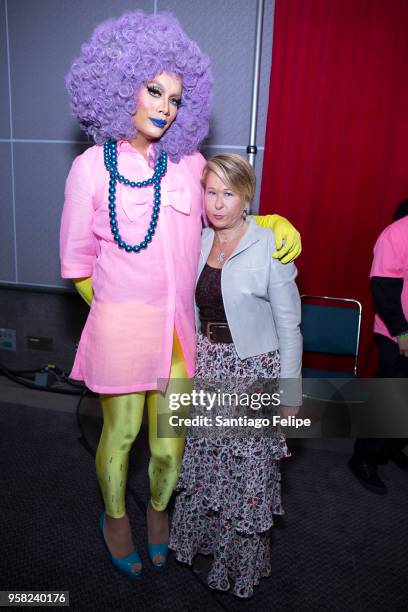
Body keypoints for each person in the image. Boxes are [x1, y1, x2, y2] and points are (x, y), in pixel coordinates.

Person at [60, 11, 302, 578]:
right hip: (119, 325)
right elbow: (76, 265)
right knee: (121, 435)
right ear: (122, 88)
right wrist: (115, 312)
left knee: (169, 446)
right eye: (154, 91)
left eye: (174, 97)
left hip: (177, 331)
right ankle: (116, 518)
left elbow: (226, 208)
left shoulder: (189, 165)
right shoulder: (89, 169)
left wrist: (273, 224)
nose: (165, 107)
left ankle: (161, 515)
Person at [169, 154, 302, 598]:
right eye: (211, 192)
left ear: (247, 197)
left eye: (229, 193)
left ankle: (237, 566)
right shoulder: (198, 239)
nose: (218, 203)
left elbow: (290, 326)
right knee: (207, 467)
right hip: (207, 365)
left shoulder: (269, 244)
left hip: (253, 371)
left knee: (245, 475)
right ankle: (202, 544)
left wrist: (290, 390)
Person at [349, 200, 408, 494]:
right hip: (398, 335)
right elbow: (383, 289)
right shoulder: (396, 234)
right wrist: (402, 332)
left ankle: (390, 449)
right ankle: (363, 458)